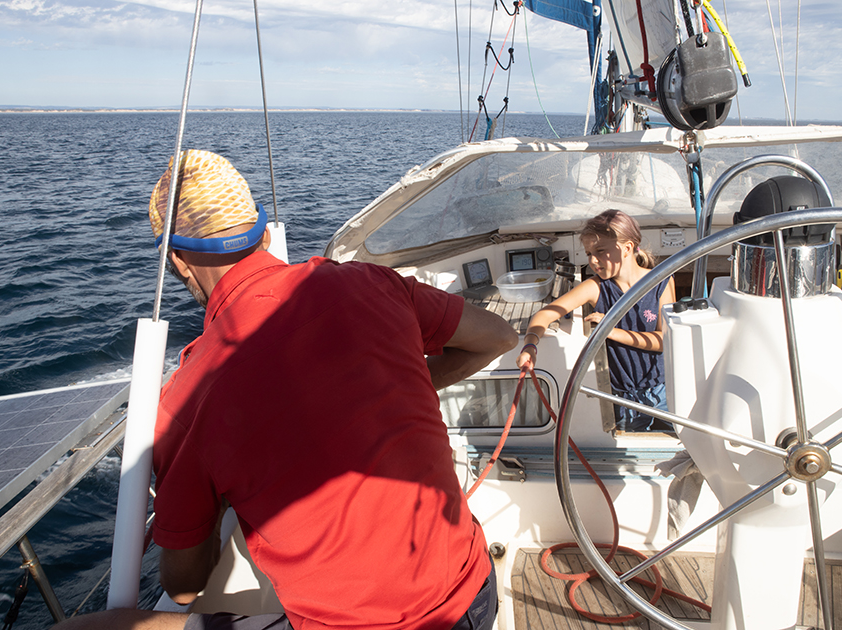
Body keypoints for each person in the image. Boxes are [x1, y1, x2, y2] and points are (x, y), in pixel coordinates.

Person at [56, 150, 516, 630]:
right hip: (474, 598)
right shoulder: (372, 283)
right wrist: (404, 374)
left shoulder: (186, 400)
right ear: (260, 230)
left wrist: (214, 498)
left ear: (177, 260)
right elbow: (498, 337)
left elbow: (184, 587)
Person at [516, 210, 676, 432]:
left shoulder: (662, 282)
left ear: (627, 248)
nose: (592, 260)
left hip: (664, 390)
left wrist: (610, 330)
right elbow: (545, 314)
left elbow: (664, 340)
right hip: (622, 399)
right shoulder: (596, 287)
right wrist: (530, 345)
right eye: (589, 253)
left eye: (600, 251)